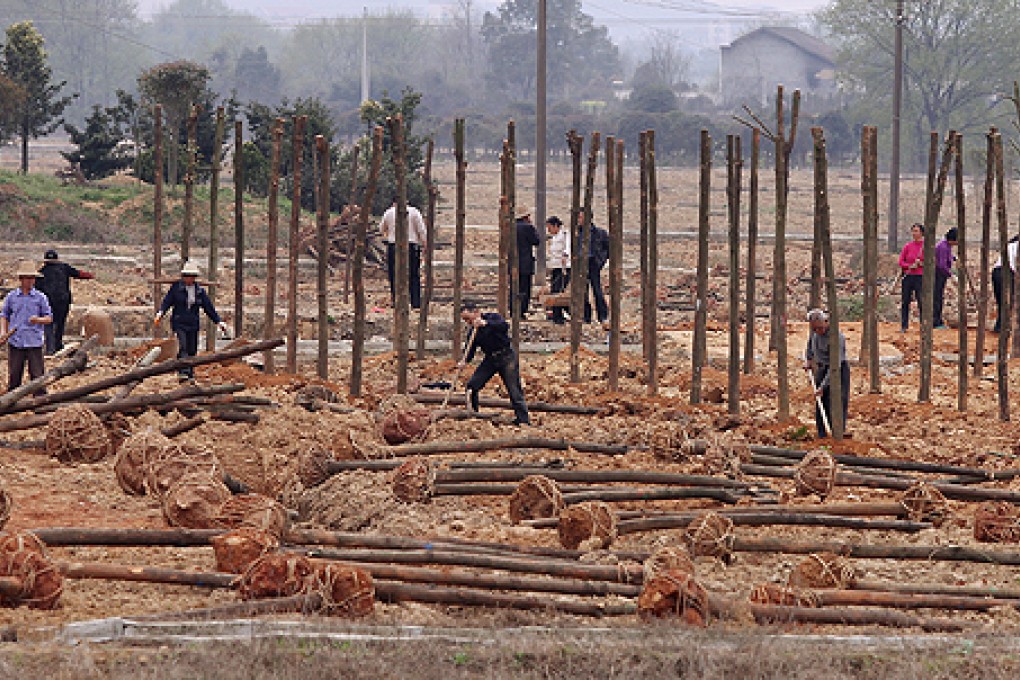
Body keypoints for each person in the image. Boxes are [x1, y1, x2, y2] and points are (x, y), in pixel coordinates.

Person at [457, 301, 530, 426]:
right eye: (465, 320)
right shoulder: (473, 332)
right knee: (472, 385)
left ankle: (523, 420)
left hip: (507, 357)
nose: (468, 322)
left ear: (476, 312)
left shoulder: (492, 318)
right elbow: (470, 350)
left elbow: (504, 326)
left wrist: (486, 324)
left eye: (468, 319)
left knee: (514, 390)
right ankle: (474, 414)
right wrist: (464, 361)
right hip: (490, 360)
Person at [154, 261, 229, 382]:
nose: (189, 279)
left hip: (193, 324)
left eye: (192, 276)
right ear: (184, 276)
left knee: (192, 349)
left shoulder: (199, 291)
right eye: (187, 276)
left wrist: (218, 322)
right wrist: (160, 313)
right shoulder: (176, 289)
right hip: (179, 322)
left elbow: (208, 307)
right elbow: (167, 302)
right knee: (183, 346)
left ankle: (190, 372)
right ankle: (182, 372)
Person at [1, 262, 52, 393]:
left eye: (32, 278)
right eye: (27, 278)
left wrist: (38, 320)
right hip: (16, 341)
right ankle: (11, 403)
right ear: (21, 279)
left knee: (37, 376)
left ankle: (40, 402)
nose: (30, 281)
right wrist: (3, 331)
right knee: (14, 375)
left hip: (34, 341)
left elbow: (49, 318)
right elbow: (4, 315)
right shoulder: (12, 297)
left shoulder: (41, 298)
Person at [35, 248, 94, 355]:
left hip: (48, 303)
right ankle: (58, 345)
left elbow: (36, 290)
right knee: (60, 324)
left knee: (49, 324)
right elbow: (78, 274)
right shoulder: (64, 268)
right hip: (63, 302)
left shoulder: (41, 273)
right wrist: (90, 275)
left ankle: (50, 347)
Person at [802, 308, 849, 439]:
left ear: (826, 322)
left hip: (838, 369)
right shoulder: (815, 333)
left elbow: (835, 366)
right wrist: (809, 360)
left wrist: (824, 386)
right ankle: (822, 434)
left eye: (820, 328)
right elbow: (810, 346)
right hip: (822, 369)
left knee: (838, 401)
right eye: (815, 329)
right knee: (821, 402)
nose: (818, 331)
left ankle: (838, 433)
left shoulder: (836, 337)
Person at [380, 199, 427, 309]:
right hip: (411, 246)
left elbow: (381, 228)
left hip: (393, 245)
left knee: (394, 275)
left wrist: (390, 232)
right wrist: (425, 244)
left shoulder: (389, 212)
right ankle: (415, 302)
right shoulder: (414, 212)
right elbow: (422, 230)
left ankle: (396, 301)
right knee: (413, 275)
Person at [577, 209, 609, 324]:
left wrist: (601, 261)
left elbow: (608, 248)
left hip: (594, 263)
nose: (579, 220)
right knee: (582, 292)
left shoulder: (599, 233)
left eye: (580, 217)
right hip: (580, 264)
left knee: (597, 290)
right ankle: (586, 316)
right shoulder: (576, 233)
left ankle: (603, 316)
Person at [512, 210, 540, 316]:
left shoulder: (511, 226)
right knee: (525, 288)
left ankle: (513, 309)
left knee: (514, 287)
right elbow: (536, 241)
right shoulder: (528, 227)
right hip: (525, 263)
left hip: (513, 263)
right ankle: (522, 310)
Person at [898, 223, 925, 332]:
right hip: (908, 276)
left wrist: (921, 264)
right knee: (905, 301)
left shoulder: (926, 247)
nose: (914, 233)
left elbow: (931, 261)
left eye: (916, 231)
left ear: (922, 233)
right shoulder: (907, 246)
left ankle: (924, 325)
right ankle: (904, 325)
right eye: (913, 231)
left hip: (920, 276)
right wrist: (909, 266)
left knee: (921, 301)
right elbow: (901, 262)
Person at [545, 215, 570, 324]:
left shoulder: (565, 234)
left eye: (550, 227)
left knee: (559, 290)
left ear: (556, 226)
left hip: (563, 266)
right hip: (555, 266)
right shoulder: (554, 237)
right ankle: (556, 315)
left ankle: (559, 315)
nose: (549, 230)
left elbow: (568, 247)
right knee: (554, 290)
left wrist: (565, 255)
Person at [992, 235, 1019, 333]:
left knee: (1001, 302)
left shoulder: (1009, 245)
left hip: (996, 272)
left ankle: (999, 327)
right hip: (1007, 272)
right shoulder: (1017, 246)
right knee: (1008, 302)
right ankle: (1004, 328)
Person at [933, 228, 957, 329]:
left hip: (940, 275)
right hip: (938, 275)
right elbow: (941, 265)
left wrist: (953, 258)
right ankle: (936, 321)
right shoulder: (943, 246)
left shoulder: (946, 245)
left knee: (939, 297)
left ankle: (937, 320)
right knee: (937, 298)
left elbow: (947, 256)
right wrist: (951, 275)